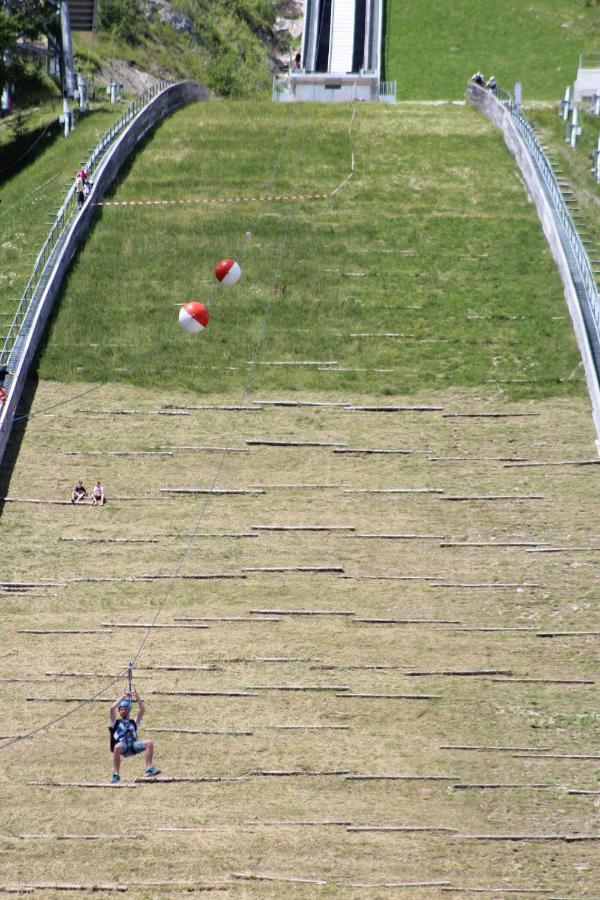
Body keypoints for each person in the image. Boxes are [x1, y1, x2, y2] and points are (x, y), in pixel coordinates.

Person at [109, 690, 159, 783]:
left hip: (133, 745)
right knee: (117, 747)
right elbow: (112, 708)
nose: (123, 711)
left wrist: (137, 697)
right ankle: (116, 775)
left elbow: (142, 710)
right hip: (123, 746)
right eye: (121, 709)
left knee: (149, 743)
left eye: (125, 709)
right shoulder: (115, 723)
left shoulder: (133, 722)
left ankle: (149, 768)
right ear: (119, 711)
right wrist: (121, 698)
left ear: (128, 710)